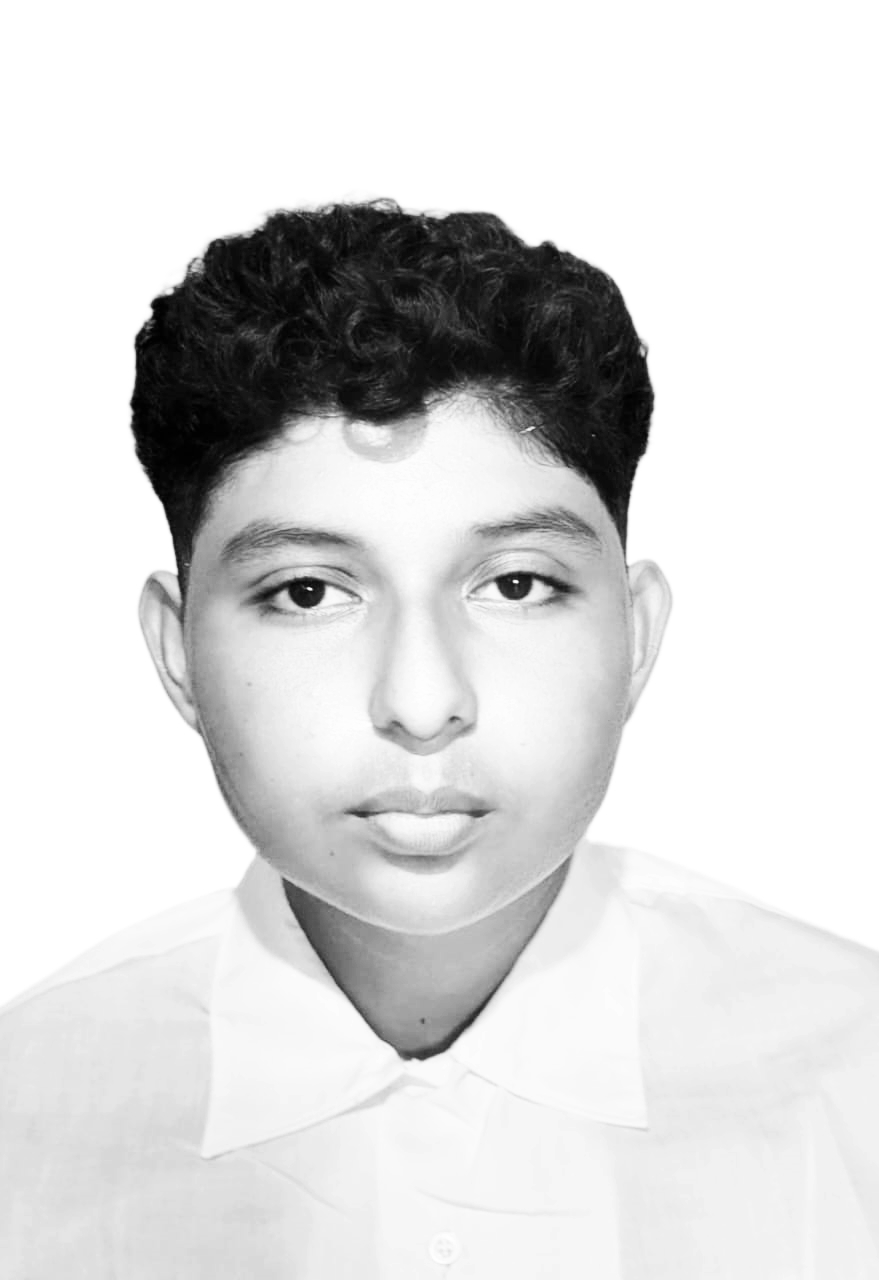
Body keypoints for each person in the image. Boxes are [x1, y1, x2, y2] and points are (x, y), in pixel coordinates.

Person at [1, 200, 877, 1277]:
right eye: (308, 591)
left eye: (516, 584)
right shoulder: (29, 1119)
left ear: (636, 633)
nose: (421, 702)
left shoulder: (855, 1080)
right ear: (178, 650)